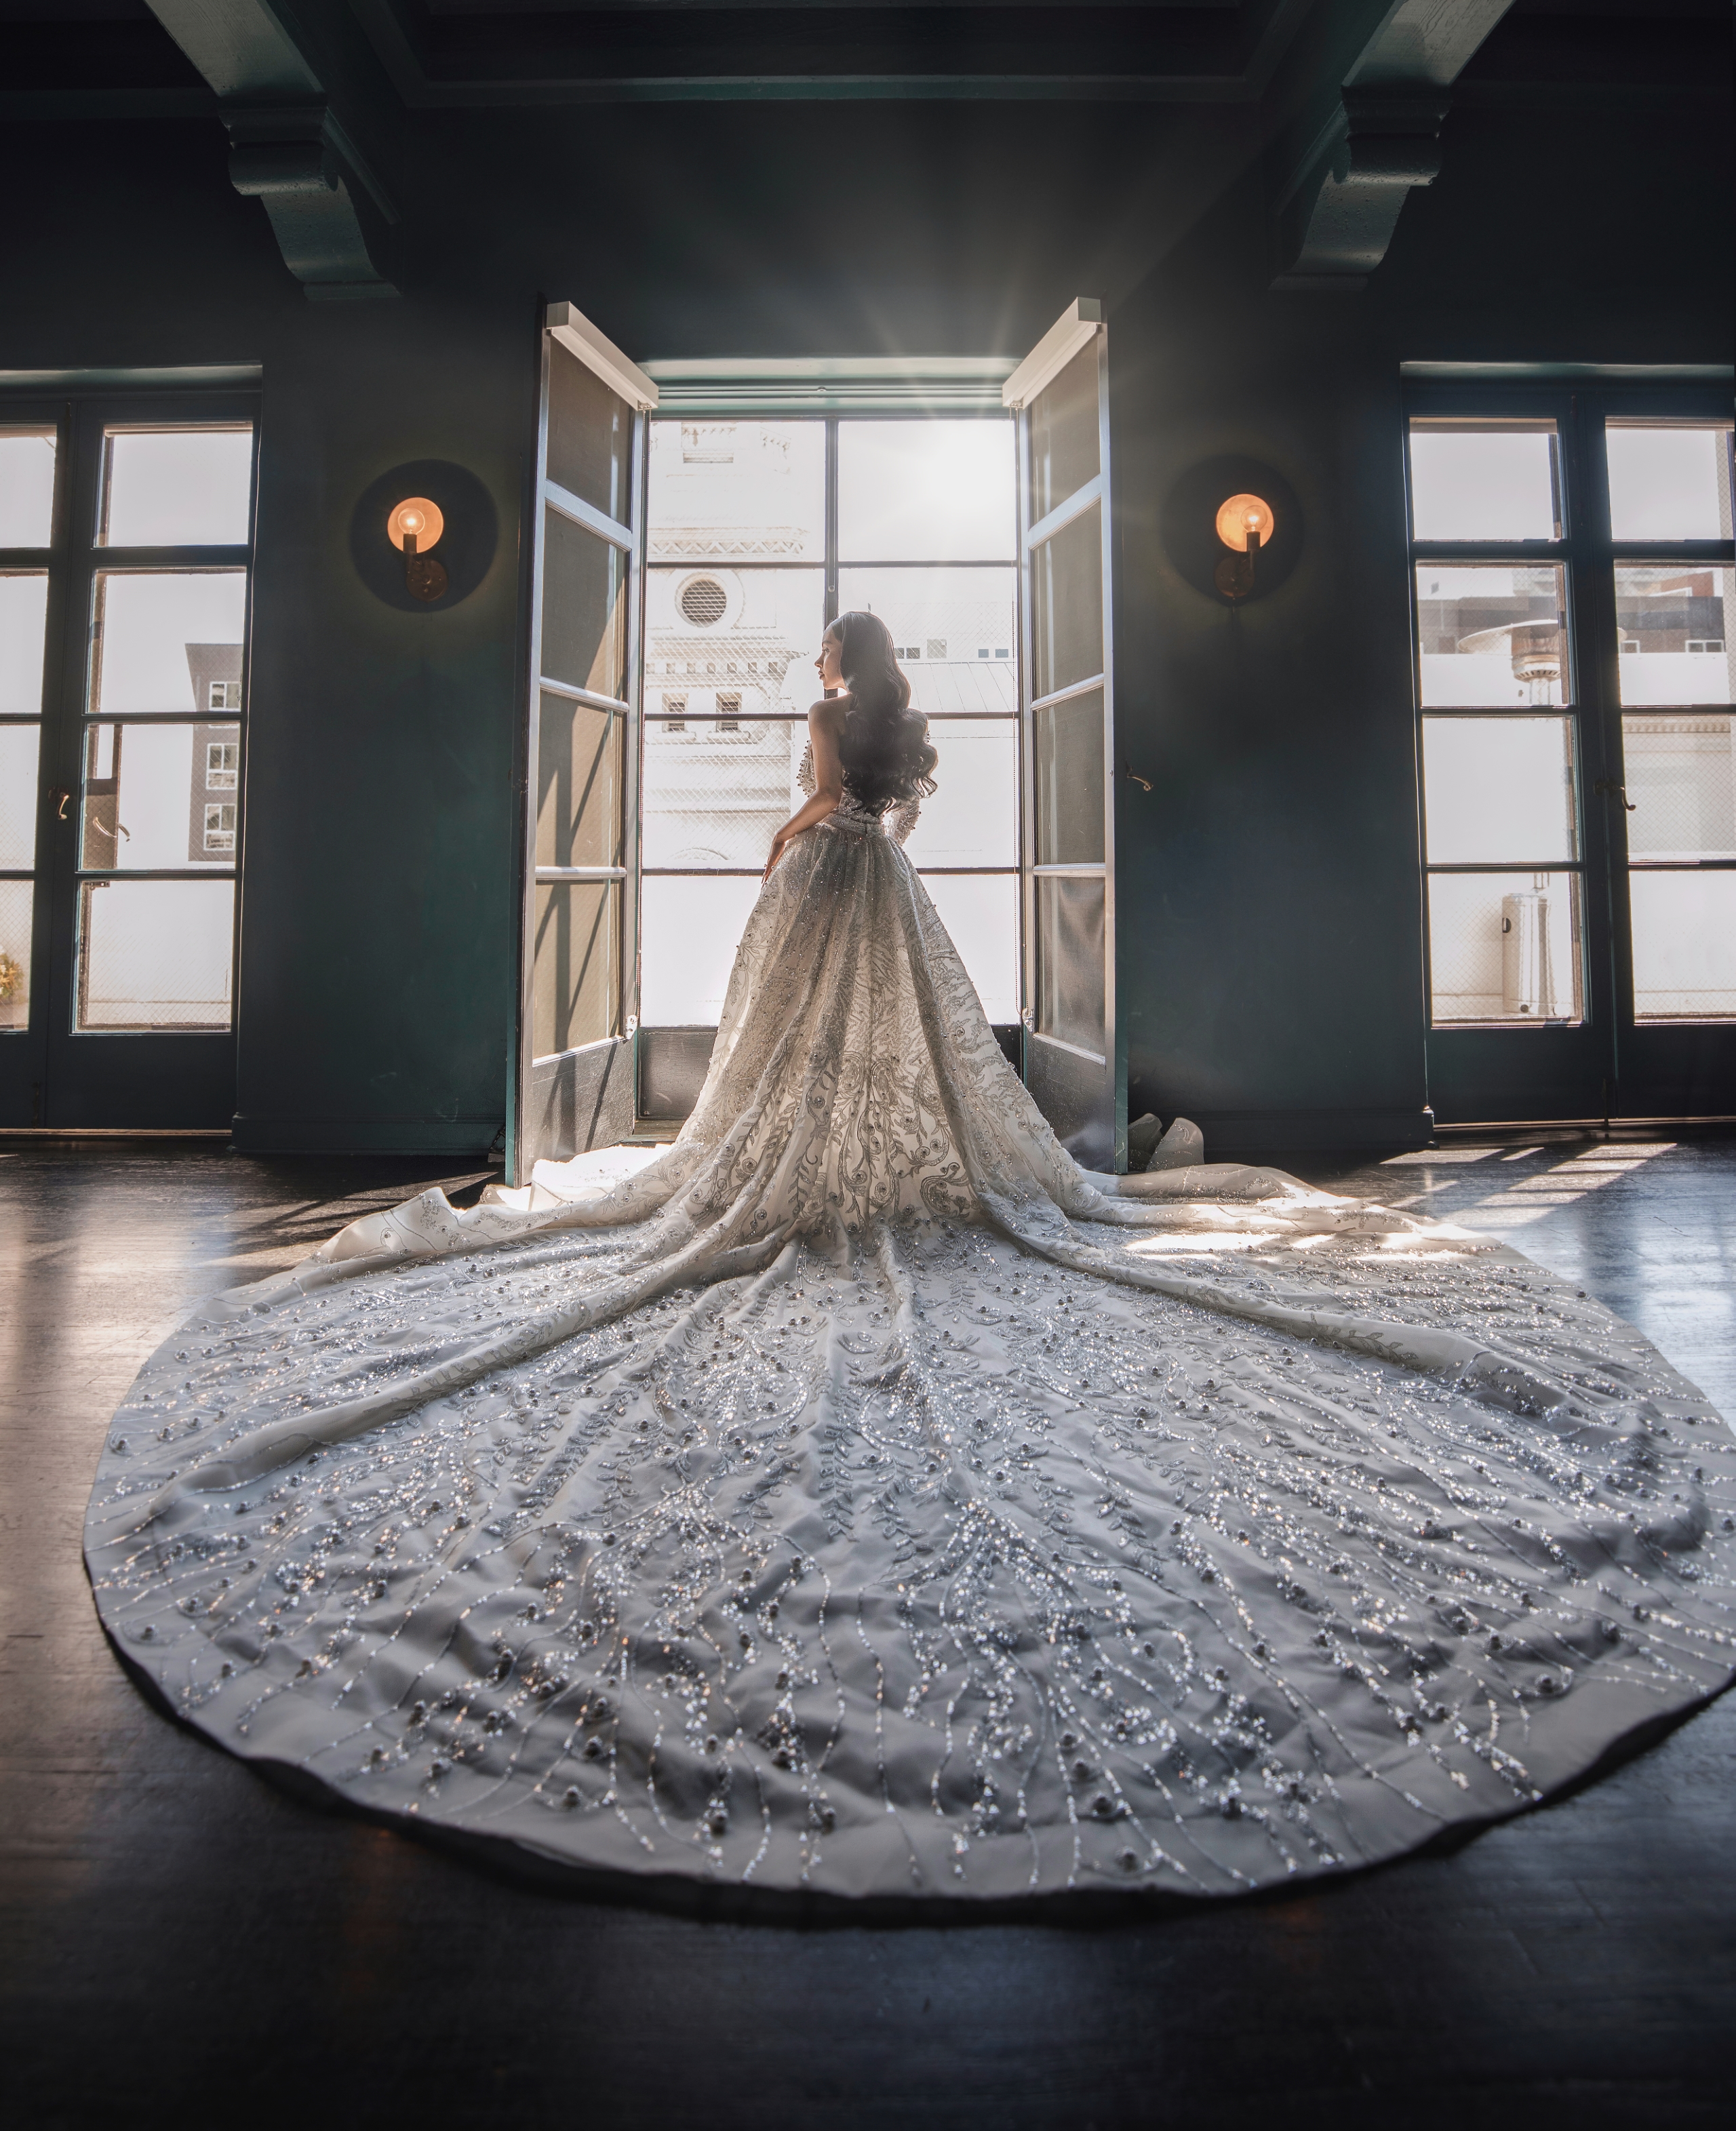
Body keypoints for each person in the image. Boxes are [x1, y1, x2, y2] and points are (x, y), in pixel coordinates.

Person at [87, 616, 1735, 1908]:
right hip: (890, 889)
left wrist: (783, 844)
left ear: (835, 667)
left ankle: (793, 1178)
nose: (819, 676)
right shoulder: (906, 736)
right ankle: (873, 1178)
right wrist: (855, 824)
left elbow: (812, 800)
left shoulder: (827, 738)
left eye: (822, 658)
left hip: (826, 882)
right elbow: (883, 801)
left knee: (786, 1082)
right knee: (895, 1075)